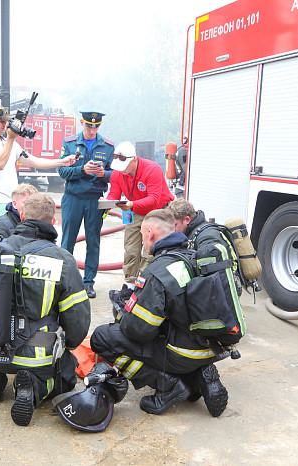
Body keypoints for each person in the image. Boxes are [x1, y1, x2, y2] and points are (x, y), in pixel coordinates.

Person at [90, 209, 228, 417]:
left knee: (102, 337)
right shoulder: (194, 257)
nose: (144, 243)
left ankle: (170, 384)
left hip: (183, 352)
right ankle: (197, 376)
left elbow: (139, 331)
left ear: (150, 233)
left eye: (143, 237)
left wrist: (123, 312)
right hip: (213, 347)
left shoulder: (157, 271)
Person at [0, 193, 91, 427]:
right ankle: (35, 386)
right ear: (52, 221)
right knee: (67, 377)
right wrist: (68, 347)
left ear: (21, 216)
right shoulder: (62, 259)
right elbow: (78, 319)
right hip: (37, 356)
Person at [0, 104, 77, 217]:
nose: (5, 124)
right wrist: (11, 138)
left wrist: (62, 162)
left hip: (13, 203)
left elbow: (35, 162)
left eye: (6, 121)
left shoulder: (9, 143)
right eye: (1, 121)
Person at [105, 141, 174, 302]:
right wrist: (107, 203)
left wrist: (132, 204)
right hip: (135, 211)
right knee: (130, 248)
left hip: (157, 212)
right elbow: (114, 194)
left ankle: (144, 285)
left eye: (125, 166)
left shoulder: (152, 169)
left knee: (150, 251)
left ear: (134, 159)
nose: (122, 171)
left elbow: (154, 199)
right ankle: (130, 285)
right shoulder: (118, 173)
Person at [57, 110, 115, 298]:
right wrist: (82, 169)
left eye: (96, 126)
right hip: (72, 198)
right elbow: (62, 172)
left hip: (94, 200)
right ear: (82, 123)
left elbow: (115, 174)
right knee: (67, 241)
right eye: (89, 125)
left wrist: (102, 174)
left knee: (93, 241)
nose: (92, 129)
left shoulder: (107, 147)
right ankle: (64, 281)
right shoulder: (70, 143)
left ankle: (88, 282)